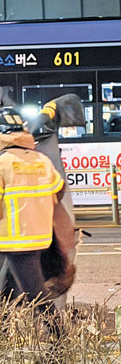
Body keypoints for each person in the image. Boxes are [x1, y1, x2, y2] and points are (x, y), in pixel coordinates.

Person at [0, 108, 65, 316]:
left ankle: (59, 339)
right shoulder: (41, 160)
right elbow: (58, 190)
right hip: (36, 237)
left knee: (36, 294)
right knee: (18, 288)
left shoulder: (3, 162)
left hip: (11, 238)